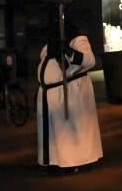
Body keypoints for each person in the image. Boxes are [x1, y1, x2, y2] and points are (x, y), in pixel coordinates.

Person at [37, 16, 102, 173]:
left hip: (69, 93)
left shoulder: (79, 41)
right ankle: (53, 161)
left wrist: (67, 50)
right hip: (50, 94)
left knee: (67, 133)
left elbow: (89, 60)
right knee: (54, 133)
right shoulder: (49, 45)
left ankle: (72, 162)